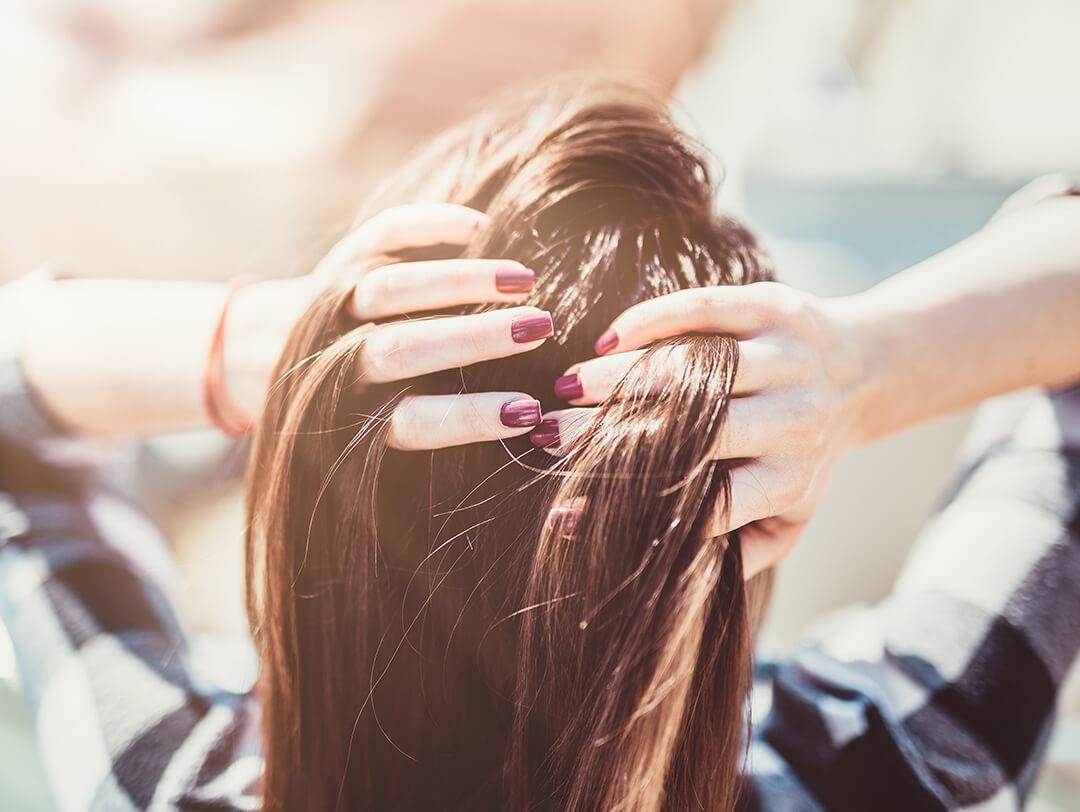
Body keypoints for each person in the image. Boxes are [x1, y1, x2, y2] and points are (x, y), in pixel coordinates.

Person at [0, 79, 1077, 811]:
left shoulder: (170, 778)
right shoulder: (897, 767)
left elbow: (18, 425)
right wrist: (861, 367)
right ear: (724, 536)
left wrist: (256, 349)